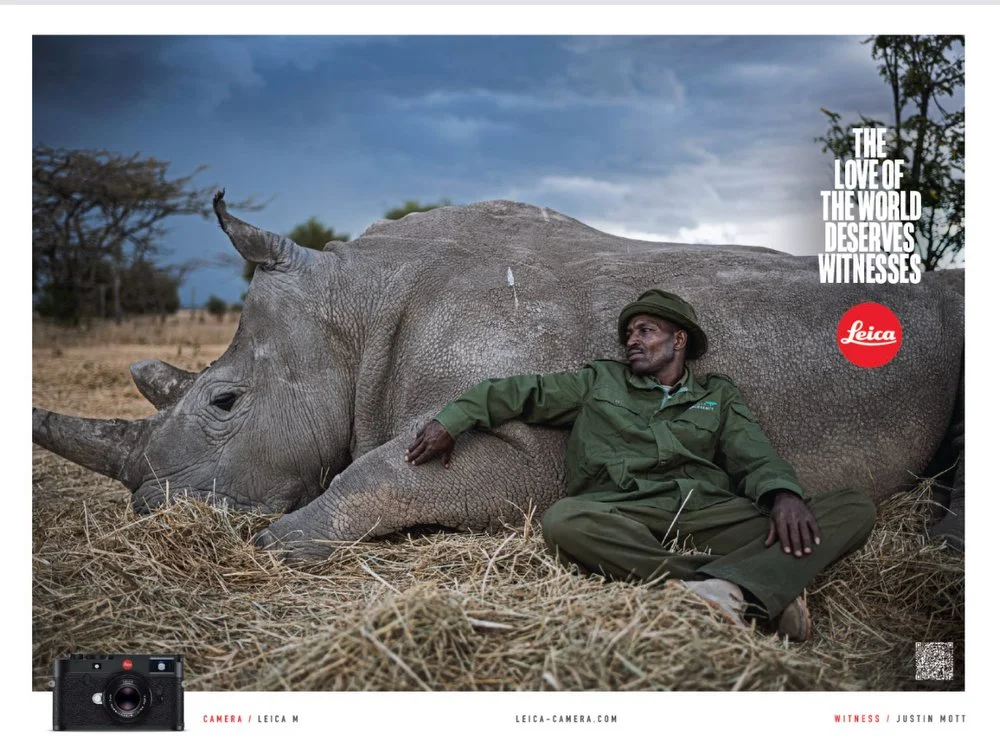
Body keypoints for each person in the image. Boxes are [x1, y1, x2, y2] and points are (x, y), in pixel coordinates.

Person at [405, 289, 876, 641]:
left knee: (853, 508)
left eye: (645, 331)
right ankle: (743, 589)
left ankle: (727, 591)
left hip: (706, 511)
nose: (633, 340)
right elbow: (518, 391)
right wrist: (454, 418)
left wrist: (783, 495)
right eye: (629, 333)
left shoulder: (718, 395)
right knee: (563, 520)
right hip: (621, 511)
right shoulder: (598, 382)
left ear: (679, 340)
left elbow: (754, 454)